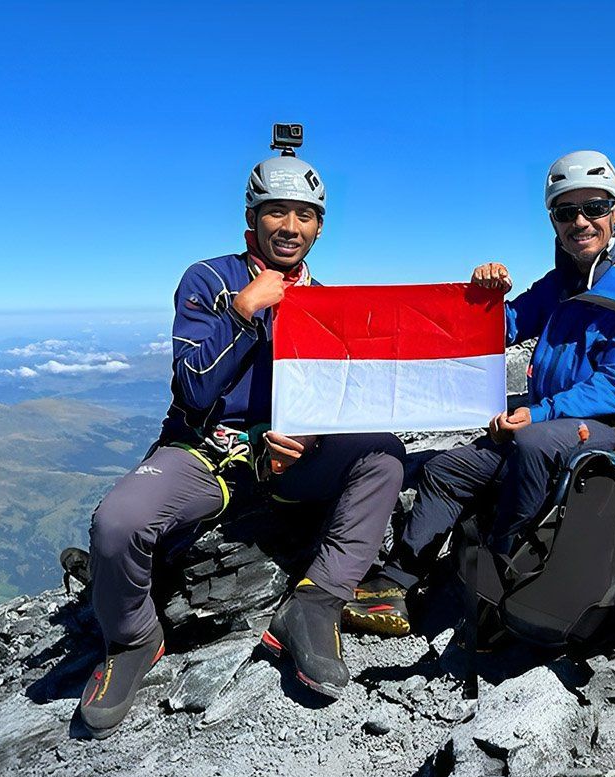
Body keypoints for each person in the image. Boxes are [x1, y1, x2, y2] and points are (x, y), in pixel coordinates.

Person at [78, 139, 405, 737]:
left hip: (284, 464)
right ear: (251, 219)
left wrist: (305, 438)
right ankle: (132, 641)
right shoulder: (210, 280)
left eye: (304, 215)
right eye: (276, 211)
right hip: (204, 453)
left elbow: (339, 397)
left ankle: (314, 604)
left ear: (319, 228)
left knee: (383, 455)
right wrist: (242, 313)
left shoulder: (325, 303)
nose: (290, 225)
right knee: (117, 523)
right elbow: (196, 388)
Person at [343, 150, 615, 636]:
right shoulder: (558, 285)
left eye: (593, 207)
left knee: (532, 445)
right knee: (447, 469)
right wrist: (485, 297)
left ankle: (503, 575)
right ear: (554, 220)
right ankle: (394, 581)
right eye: (566, 212)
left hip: (607, 431)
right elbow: (500, 328)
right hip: (549, 421)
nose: (580, 222)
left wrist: (542, 412)